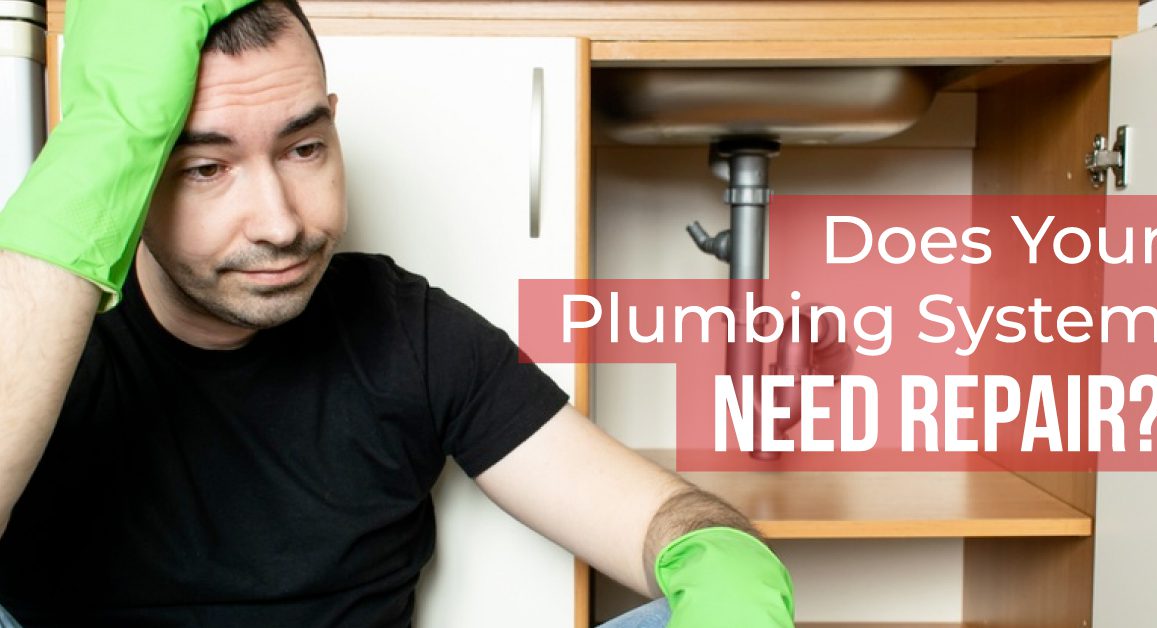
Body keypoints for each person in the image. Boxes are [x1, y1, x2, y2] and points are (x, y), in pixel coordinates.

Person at [0, 2, 794, 626]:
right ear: (129, 171)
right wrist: (101, 157)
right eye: (207, 168)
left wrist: (719, 557)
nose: (279, 222)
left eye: (304, 148)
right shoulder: (44, 332)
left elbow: (657, 515)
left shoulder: (405, 330)